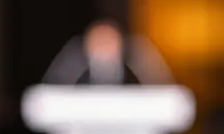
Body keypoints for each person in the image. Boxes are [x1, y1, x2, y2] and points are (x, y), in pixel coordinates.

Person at [41, 19, 173, 85]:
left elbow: (163, 88)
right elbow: (51, 90)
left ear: (120, 42)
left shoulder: (135, 60)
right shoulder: (75, 63)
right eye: (98, 40)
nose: (103, 45)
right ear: (87, 44)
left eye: (109, 40)